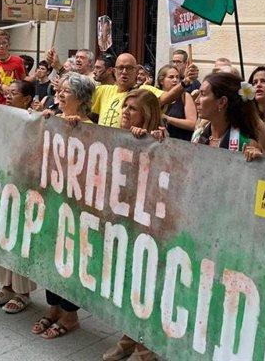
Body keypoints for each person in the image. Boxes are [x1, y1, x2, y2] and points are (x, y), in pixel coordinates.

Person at [31, 72, 96, 340]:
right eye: (60, 89)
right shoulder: (53, 118)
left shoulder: (91, 125)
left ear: (80, 99)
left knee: (70, 258)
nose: (59, 93)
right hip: (52, 200)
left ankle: (70, 314)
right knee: (50, 254)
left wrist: (76, 129)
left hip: (76, 206)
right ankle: (54, 307)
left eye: (67, 91)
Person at [103, 89, 165, 361]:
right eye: (124, 106)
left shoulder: (160, 140)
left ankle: (145, 346)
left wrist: (153, 140)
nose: (125, 112)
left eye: (133, 109)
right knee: (126, 281)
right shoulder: (116, 136)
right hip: (121, 220)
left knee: (144, 285)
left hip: (148, 225)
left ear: (147, 116)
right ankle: (129, 337)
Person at [0, 79, 37, 312]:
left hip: (24, 187)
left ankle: (22, 291)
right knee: (1, 234)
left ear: (27, 98)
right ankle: (5, 285)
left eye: (13, 93)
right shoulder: (0, 115)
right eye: (6, 92)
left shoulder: (34, 121)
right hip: (1, 182)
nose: (7, 95)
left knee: (20, 238)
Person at [91, 53, 184, 128]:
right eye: (120, 68)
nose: (124, 71)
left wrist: (185, 82)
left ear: (136, 71)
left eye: (128, 68)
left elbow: (167, 98)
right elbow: (80, 103)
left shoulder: (143, 91)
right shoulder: (103, 90)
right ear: (114, 71)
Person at [191, 72, 261, 158]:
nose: (196, 101)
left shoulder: (246, 144)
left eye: (203, 94)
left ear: (222, 102)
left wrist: (255, 160)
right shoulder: (198, 135)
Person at [156, 65, 197, 141]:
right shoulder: (155, 96)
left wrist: (167, 119)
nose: (175, 80)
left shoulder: (184, 96)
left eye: (177, 77)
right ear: (161, 81)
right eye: (171, 77)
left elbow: (193, 124)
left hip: (181, 143)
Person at [0, 28, 26, 103]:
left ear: (9, 44)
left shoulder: (18, 61)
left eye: (4, 43)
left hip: (16, 103)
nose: (1, 46)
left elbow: (23, 80)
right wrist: (1, 86)